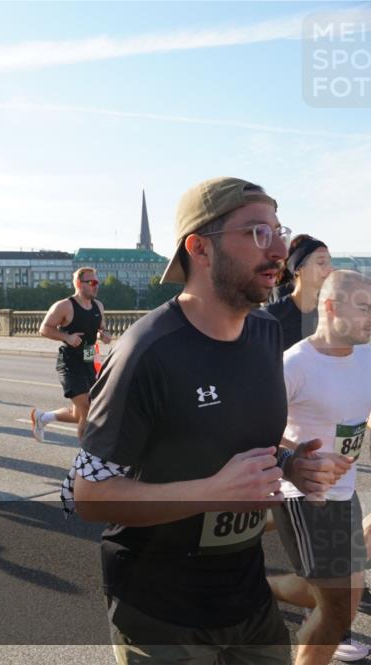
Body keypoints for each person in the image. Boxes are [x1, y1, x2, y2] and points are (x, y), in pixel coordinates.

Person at [66, 177, 345, 664]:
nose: (279, 249)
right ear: (200, 249)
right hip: (160, 611)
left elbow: (235, 442)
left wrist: (289, 464)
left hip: (247, 596)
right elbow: (85, 495)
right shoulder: (146, 352)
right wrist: (213, 491)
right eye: (258, 233)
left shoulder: (264, 334)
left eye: (280, 231)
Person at [266, 270, 371, 664]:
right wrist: (299, 457)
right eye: (364, 308)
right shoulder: (295, 365)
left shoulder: (366, 356)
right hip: (306, 496)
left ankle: (255, 588)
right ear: (330, 308)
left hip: (345, 492)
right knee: (337, 609)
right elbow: (256, 432)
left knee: (344, 594)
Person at [32, 267, 111, 442]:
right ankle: (86, 461)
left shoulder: (98, 305)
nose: (95, 286)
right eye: (91, 282)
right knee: (88, 411)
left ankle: (42, 418)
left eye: (97, 282)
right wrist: (66, 336)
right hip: (69, 361)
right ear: (78, 283)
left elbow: (101, 327)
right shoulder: (64, 306)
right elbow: (44, 329)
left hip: (88, 357)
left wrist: (104, 334)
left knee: (79, 413)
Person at [265, 235, 332, 351]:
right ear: (299, 269)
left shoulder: (329, 314)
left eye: (329, 262)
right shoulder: (271, 317)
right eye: (321, 263)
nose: (329, 269)